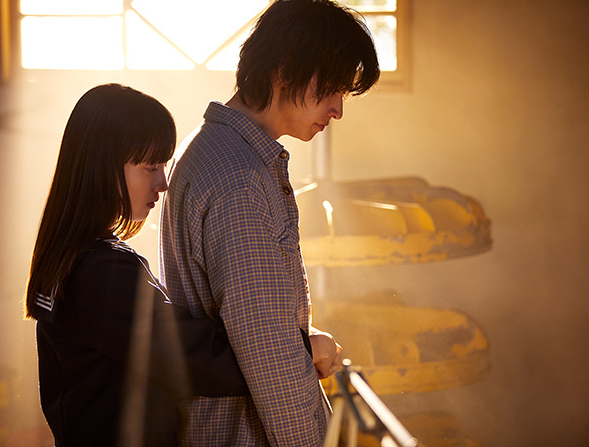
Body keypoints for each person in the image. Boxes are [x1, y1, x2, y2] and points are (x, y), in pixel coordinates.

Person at [159, 0, 381, 445]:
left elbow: (253, 321)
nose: (338, 109)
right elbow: (270, 355)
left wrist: (302, 336)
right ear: (284, 71)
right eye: (333, 89)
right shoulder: (239, 176)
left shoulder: (216, 149)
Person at [24, 83, 249, 447]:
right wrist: (295, 351)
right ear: (101, 166)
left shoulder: (71, 256)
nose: (162, 183)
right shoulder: (101, 272)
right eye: (150, 167)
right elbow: (190, 357)